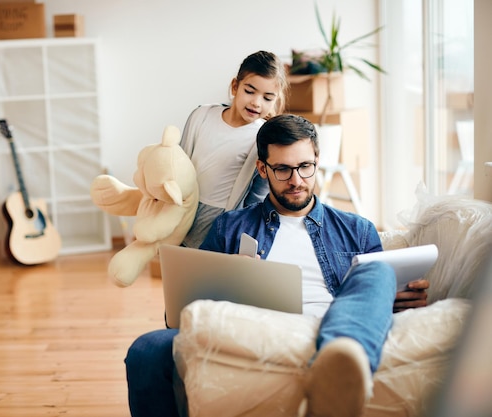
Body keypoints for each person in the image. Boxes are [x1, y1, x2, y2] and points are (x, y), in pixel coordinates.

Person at [125, 114, 430, 417]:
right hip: (261, 328)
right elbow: (178, 318)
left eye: (305, 167)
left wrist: (396, 298)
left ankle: (339, 360)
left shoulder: (358, 229)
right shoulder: (229, 227)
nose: (297, 180)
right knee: (146, 349)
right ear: (262, 168)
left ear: (317, 161)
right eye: (283, 169)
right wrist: (230, 279)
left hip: (336, 327)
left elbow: (373, 306)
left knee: (378, 272)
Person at [179, 50, 288, 248]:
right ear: (235, 86)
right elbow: (177, 164)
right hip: (185, 214)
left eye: (267, 97)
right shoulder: (201, 116)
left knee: (215, 277)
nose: (256, 102)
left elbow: (257, 197)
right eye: (250, 91)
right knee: (180, 274)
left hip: (223, 224)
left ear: (275, 100)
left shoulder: (263, 137)